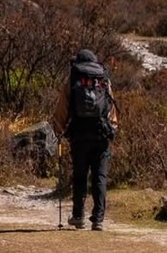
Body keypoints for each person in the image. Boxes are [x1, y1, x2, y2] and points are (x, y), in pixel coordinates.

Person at [52, 49, 119, 231]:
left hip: (79, 135)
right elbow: (111, 108)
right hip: (101, 135)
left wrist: (58, 131)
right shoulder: (104, 80)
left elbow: (62, 110)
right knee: (100, 177)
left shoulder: (73, 81)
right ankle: (98, 219)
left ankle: (78, 216)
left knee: (79, 176)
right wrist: (112, 129)